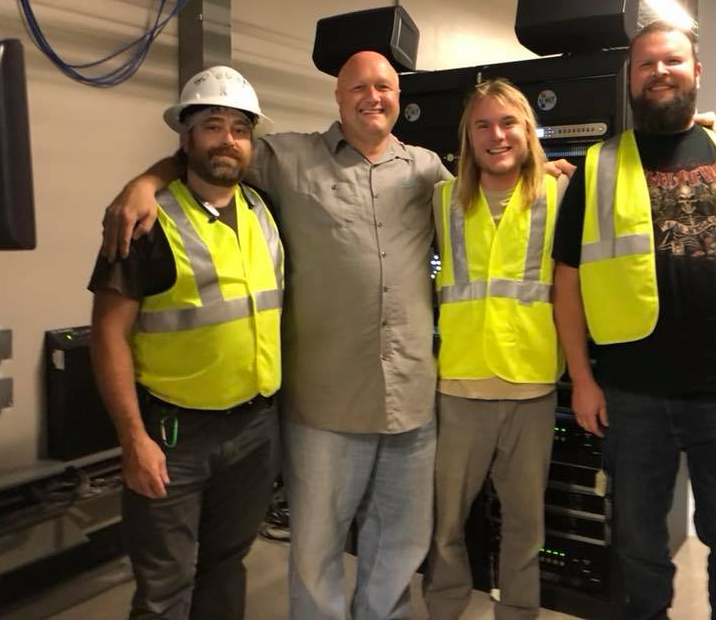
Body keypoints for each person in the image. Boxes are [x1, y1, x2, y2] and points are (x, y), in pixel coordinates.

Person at [101, 50, 453, 620]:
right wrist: (143, 182)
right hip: (318, 407)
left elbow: (484, 203)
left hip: (407, 400)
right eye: (358, 87)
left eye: (384, 86)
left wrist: (547, 175)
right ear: (337, 97)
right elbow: (212, 158)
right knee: (312, 555)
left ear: (398, 97)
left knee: (396, 547)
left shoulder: (427, 171)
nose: (373, 96)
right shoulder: (288, 159)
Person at [552, 21, 716, 620]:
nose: (659, 72)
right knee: (638, 546)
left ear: (696, 72)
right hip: (632, 394)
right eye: (645, 64)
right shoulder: (600, 165)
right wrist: (582, 379)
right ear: (631, 80)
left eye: (671, 61)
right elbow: (568, 281)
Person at [89, 66, 283, 620]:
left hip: (254, 428)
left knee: (227, 564)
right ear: (186, 136)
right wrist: (133, 440)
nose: (228, 140)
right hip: (174, 435)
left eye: (240, 129)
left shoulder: (265, 211)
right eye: (212, 126)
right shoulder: (145, 223)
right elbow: (107, 334)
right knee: (164, 586)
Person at [422, 79, 568, 620]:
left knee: (526, 525)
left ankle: (519, 611)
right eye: (482, 125)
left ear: (528, 130)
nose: (496, 135)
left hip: (531, 385)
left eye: (508, 123)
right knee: (446, 521)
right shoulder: (441, 200)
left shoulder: (562, 194)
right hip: (459, 386)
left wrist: (708, 123)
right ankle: (444, 606)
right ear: (468, 137)